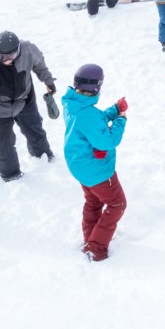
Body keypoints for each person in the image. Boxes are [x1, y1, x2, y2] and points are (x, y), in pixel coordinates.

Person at [0, 30, 56, 182]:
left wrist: (48, 81)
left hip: (25, 100)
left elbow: (39, 65)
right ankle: (10, 174)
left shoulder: (28, 50)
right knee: (4, 143)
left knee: (35, 130)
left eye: (11, 56)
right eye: (1, 57)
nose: (6, 60)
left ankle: (42, 155)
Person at [63, 63, 127, 262]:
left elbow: (95, 119)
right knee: (117, 204)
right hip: (98, 172)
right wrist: (120, 120)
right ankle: (96, 248)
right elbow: (107, 140)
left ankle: (90, 237)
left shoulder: (74, 104)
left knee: (93, 201)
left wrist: (114, 109)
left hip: (80, 167)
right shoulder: (86, 113)